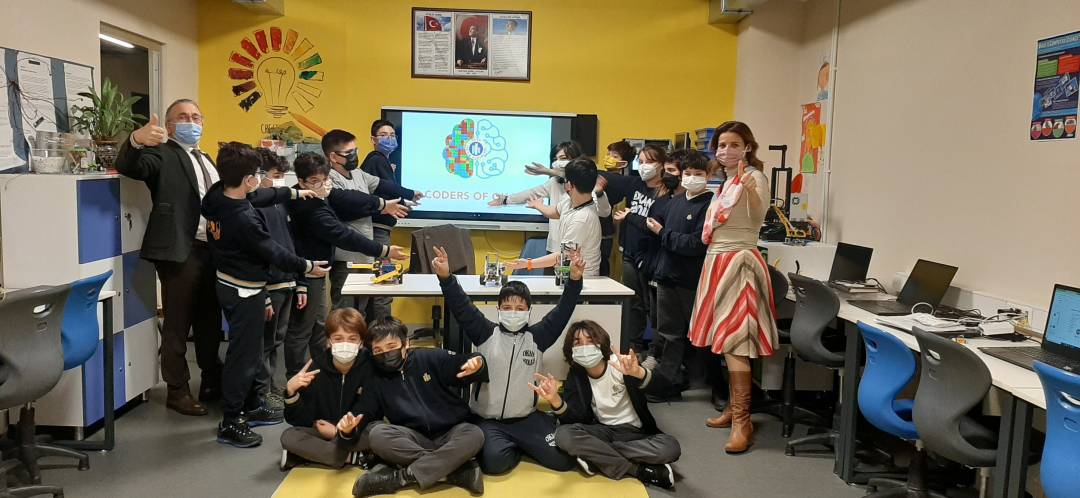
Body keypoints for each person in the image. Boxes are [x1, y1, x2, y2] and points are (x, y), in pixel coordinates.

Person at [201, 142, 329, 448]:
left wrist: (295, 194)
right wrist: (307, 267)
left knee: (250, 352)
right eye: (257, 175)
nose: (261, 180)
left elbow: (261, 196)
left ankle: (252, 404)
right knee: (243, 357)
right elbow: (273, 251)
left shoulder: (218, 195)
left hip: (229, 281)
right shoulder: (244, 218)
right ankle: (232, 420)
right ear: (248, 179)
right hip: (244, 291)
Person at [434, 244, 582, 474]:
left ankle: (528, 438)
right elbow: (461, 306)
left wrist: (574, 280)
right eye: (507, 307)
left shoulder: (538, 337)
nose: (514, 312)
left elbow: (563, 310)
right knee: (495, 464)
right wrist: (446, 277)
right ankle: (517, 447)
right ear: (498, 309)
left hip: (526, 419)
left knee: (563, 461)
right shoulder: (484, 332)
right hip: (489, 420)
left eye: (520, 308)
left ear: (529, 311)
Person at [115, 99, 223, 416]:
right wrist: (136, 140)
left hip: (211, 250)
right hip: (180, 251)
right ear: (170, 125)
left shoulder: (206, 158)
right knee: (178, 323)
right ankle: (177, 390)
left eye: (196, 117)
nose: (192, 122)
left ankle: (211, 380)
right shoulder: (161, 153)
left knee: (210, 321)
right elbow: (131, 167)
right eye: (183, 117)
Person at [690, 121, 779, 454]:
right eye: (721, 145)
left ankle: (743, 421)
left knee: (735, 342)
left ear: (747, 148)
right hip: (717, 261)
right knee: (725, 341)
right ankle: (732, 409)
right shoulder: (726, 181)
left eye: (734, 145)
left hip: (738, 263)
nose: (726, 150)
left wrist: (749, 188)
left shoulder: (753, 178)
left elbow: (757, 215)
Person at [285, 153, 407, 383]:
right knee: (302, 329)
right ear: (301, 181)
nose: (323, 185)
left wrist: (381, 204)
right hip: (306, 272)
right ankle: (295, 378)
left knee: (319, 326)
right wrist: (383, 251)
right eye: (315, 181)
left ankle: (322, 373)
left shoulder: (316, 194)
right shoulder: (309, 206)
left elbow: (349, 197)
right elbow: (343, 235)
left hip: (317, 269)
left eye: (325, 179)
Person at [533, 320, 680, 489]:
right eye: (578, 343)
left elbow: (665, 387)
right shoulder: (576, 375)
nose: (584, 347)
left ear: (601, 343)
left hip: (637, 433)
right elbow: (575, 419)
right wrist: (555, 401)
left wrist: (640, 373)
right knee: (563, 435)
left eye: (590, 340)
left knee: (670, 447)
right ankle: (636, 470)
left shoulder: (621, 365)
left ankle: (597, 456)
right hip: (603, 431)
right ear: (571, 350)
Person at [350, 317, 487, 497]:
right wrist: (347, 429)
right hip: (413, 438)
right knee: (377, 435)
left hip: (452, 432)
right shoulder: (375, 378)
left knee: (475, 434)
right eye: (378, 350)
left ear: (405, 343)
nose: (386, 354)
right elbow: (364, 411)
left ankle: (401, 477)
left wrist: (477, 363)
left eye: (391, 346)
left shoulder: (428, 357)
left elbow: (460, 363)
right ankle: (453, 469)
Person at [643, 150, 714, 400]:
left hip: (690, 279)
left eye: (698, 173)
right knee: (668, 332)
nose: (692, 178)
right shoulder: (676, 201)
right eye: (688, 173)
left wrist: (663, 233)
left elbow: (695, 244)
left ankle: (716, 386)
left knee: (701, 335)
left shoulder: (709, 204)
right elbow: (661, 232)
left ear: (708, 175)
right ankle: (669, 382)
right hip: (667, 276)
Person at [324, 128, 415, 316]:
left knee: (362, 312)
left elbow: (381, 184)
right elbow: (347, 206)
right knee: (345, 313)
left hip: (366, 256)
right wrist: (381, 206)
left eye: (355, 151)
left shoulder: (358, 173)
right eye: (349, 153)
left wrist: (410, 194)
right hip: (345, 258)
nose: (354, 156)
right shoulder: (328, 178)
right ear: (333, 156)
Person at [281, 307, 376, 470]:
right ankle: (353, 457)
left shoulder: (371, 366)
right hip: (324, 430)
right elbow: (302, 420)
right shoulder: (315, 368)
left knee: (378, 433)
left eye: (352, 339)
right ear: (328, 341)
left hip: (356, 431)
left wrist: (341, 432)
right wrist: (291, 393)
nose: (345, 344)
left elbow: (370, 411)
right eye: (338, 338)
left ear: (361, 342)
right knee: (289, 436)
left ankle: (309, 455)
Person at [600, 144, 669, 353]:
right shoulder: (634, 183)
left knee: (653, 306)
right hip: (629, 252)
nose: (644, 166)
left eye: (650, 162)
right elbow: (601, 175)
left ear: (661, 165)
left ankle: (656, 350)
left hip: (652, 257)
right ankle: (634, 347)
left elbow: (655, 226)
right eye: (641, 161)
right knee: (634, 302)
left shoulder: (665, 192)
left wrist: (630, 216)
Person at [359, 120, 424, 320]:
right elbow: (386, 187)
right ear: (373, 139)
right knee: (384, 283)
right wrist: (409, 195)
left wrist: (404, 201)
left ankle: (374, 329)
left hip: (378, 229)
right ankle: (383, 332)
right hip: (376, 230)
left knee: (377, 285)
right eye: (383, 135)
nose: (389, 138)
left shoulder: (381, 162)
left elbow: (384, 191)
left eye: (392, 135)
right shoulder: (377, 158)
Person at [252, 148, 298, 413]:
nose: (280, 181)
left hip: (286, 280)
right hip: (270, 283)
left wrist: (297, 278)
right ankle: (262, 395)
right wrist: (265, 292)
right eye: (276, 175)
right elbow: (259, 252)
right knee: (264, 342)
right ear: (258, 175)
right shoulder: (253, 207)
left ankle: (272, 387)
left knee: (276, 340)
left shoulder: (279, 204)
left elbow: (287, 242)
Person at [508, 158, 602, 276]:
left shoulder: (582, 218)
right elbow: (554, 212)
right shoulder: (570, 201)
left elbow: (564, 255)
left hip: (583, 278)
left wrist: (528, 263)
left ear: (569, 185)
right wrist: (538, 205)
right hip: (569, 272)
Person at [489, 141, 583, 256]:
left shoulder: (585, 182)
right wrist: (505, 200)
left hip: (574, 247)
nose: (557, 163)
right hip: (554, 245)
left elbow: (576, 175)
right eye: (555, 159)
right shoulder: (554, 182)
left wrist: (548, 171)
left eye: (563, 158)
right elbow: (532, 193)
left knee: (568, 267)